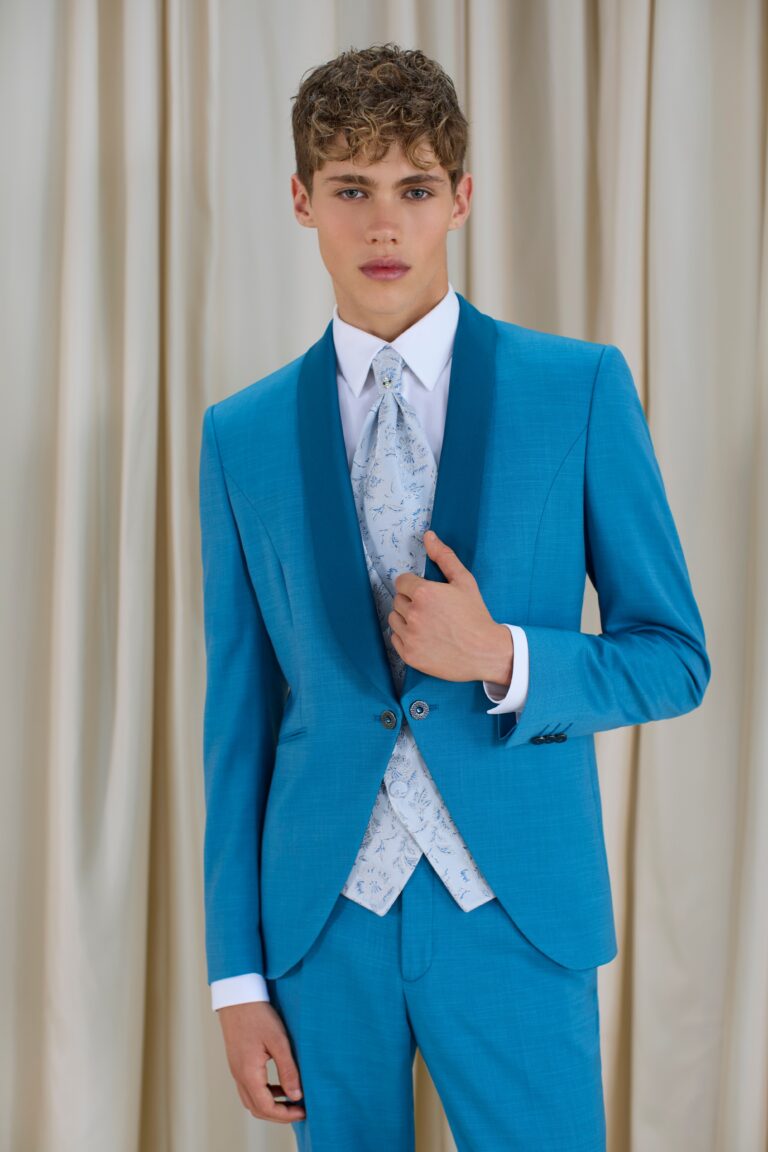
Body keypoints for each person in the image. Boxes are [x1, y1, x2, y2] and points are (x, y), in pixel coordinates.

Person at [198, 42, 710, 1151]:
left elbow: (674, 657)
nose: (385, 225)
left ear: (462, 199)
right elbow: (236, 719)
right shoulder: (240, 434)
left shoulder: (577, 389)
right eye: (352, 190)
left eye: (416, 189)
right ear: (302, 200)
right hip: (322, 924)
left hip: (516, 913)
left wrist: (504, 657)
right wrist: (235, 980)